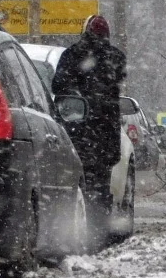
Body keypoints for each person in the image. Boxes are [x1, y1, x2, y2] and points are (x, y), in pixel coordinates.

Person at [53, 15, 126, 244]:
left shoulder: (71, 55)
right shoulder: (116, 57)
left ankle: (77, 230)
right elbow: (117, 87)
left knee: (77, 182)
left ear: (84, 31)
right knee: (100, 182)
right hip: (105, 135)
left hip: (78, 131)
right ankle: (99, 231)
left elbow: (57, 86)